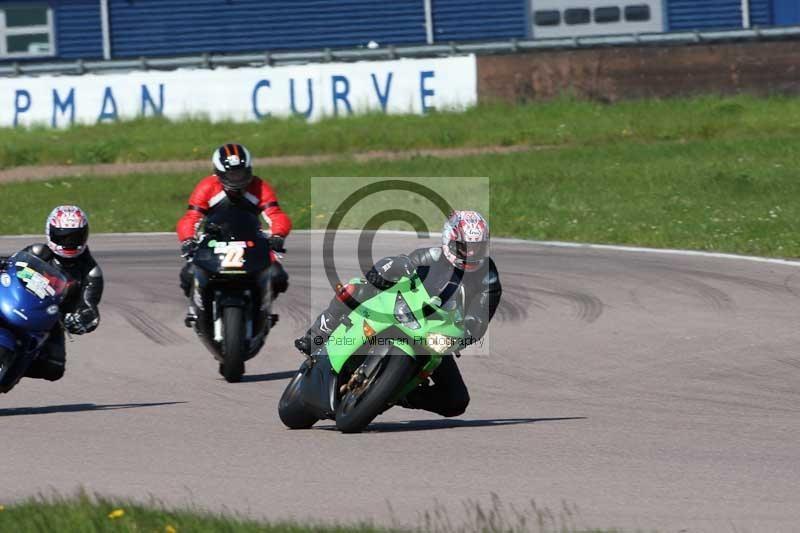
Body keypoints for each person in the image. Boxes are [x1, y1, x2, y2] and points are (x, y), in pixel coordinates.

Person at [295, 210, 502, 418]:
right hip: (401, 313)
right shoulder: (430, 256)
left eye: (478, 248)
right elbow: (394, 265)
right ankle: (316, 335)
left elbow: (480, 319)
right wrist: (383, 273)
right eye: (466, 247)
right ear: (450, 240)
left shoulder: (488, 278)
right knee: (354, 289)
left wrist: (465, 334)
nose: (472, 253)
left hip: (433, 334)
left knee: (456, 401)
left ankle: (397, 394)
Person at [176, 143, 292, 323]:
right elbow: (191, 218)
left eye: (241, 173)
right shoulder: (207, 187)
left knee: (278, 275)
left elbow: (276, 215)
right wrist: (188, 240)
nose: (237, 179)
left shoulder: (259, 187)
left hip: (251, 238)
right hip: (215, 240)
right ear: (219, 173)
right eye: (232, 174)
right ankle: (195, 308)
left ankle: (264, 309)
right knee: (189, 273)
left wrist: (278, 235)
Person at [0, 205, 103, 381]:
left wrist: (81, 319)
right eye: (62, 236)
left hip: (49, 319)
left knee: (54, 368)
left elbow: (90, 309)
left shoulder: (90, 273)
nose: (68, 242)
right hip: (16, 302)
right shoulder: (38, 253)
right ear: (50, 233)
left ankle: (15, 367)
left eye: (75, 237)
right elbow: (12, 266)